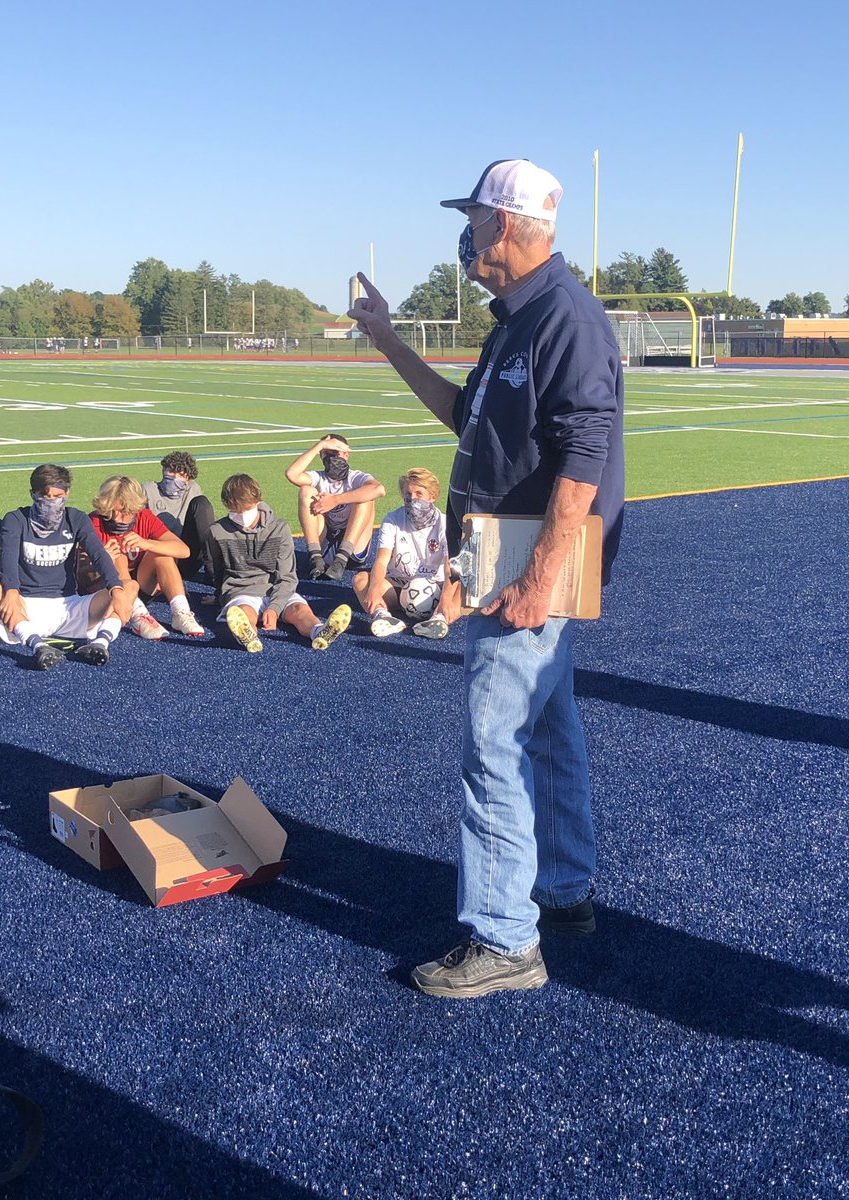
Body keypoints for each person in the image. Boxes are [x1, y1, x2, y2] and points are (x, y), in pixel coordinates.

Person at [348, 158, 625, 999]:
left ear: (502, 225)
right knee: (547, 730)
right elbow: (460, 414)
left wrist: (542, 573)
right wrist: (387, 337)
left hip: (524, 566)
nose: (464, 237)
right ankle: (565, 889)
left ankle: (506, 939)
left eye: (471, 220)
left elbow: (587, 449)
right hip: (515, 559)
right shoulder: (520, 319)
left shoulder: (562, 316)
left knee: (493, 741)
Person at [0, 464, 129, 669]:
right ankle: (38, 646)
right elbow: (7, 560)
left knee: (127, 588)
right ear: (33, 494)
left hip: (69, 605)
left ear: (67, 493)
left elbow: (99, 555)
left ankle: (100, 644)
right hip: (26, 607)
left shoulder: (76, 518)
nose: (51, 502)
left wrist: (115, 589)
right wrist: (11, 592)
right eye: (44, 496)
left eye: (57, 496)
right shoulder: (15, 519)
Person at [207, 473, 351, 654]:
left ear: (258, 501)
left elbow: (287, 576)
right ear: (227, 505)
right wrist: (220, 595)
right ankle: (249, 634)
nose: (242, 515)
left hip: (277, 588)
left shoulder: (279, 528)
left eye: (247, 509)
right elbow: (218, 569)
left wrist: (274, 608)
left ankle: (319, 631)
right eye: (236, 511)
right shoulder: (217, 531)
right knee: (244, 612)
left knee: (300, 610)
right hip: (241, 590)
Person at [84, 475, 205, 639]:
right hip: (113, 591)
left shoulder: (144, 517)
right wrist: (101, 557)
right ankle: (138, 616)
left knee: (162, 554)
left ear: (135, 509)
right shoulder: (94, 521)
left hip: (142, 585)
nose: (116, 518)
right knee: (118, 556)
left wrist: (147, 543)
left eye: (124, 512)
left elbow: (184, 550)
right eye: (112, 511)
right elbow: (81, 569)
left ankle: (180, 611)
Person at [353, 467, 454, 640]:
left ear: (433, 496)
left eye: (418, 493)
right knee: (360, 580)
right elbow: (382, 560)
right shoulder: (392, 519)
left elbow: (449, 566)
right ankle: (382, 616)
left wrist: (445, 597)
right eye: (408, 493)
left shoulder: (445, 523)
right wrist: (374, 589)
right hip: (399, 586)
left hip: (435, 588)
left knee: (464, 589)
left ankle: (440, 618)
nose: (412, 498)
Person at [284, 434, 384, 581]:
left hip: (353, 548)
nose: (332, 458)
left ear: (346, 454)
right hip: (327, 542)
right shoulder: (318, 478)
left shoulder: (355, 477)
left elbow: (379, 489)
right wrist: (320, 445)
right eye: (327, 453)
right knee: (306, 490)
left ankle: (341, 559)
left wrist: (335, 500)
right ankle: (315, 556)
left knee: (366, 496)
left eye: (336, 453)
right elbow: (292, 474)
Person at [142, 451, 215, 580]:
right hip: (159, 555)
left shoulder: (193, 490)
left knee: (202, 503)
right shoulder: (147, 490)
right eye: (171, 472)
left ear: (188, 478)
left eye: (180, 474)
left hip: (186, 555)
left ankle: (213, 570)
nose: (175, 478)